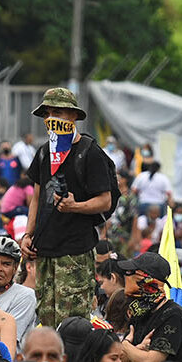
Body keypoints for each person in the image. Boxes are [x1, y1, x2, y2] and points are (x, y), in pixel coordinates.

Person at [20, 87, 116, 325]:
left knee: (72, 323)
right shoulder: (44, 152)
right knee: (46, 318)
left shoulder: (89, 153)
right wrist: (28, 235)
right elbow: (37, 197)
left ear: (73, 116)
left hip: (74, 251)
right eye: (48, 113)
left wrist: (75, 206)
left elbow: (105, 200)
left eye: (59, 112)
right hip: (45, 250)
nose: (52, 118)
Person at [117, 251, 182, 362]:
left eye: (131, 273)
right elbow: (121, 361)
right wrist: (137, 350)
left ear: (147, 280)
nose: (127, 278)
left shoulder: (173, 315)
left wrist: (126, 345)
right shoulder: (140, 312)